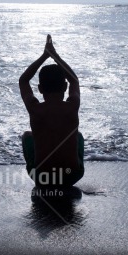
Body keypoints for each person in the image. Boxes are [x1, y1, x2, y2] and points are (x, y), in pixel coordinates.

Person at [19, 35, 84, 187]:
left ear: (40, 89)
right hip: (72, 176)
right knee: (78, 136)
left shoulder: (35, 109)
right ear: (65, 87)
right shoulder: (72, 106)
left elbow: (23, 81)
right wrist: (55, 55)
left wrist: (44, 56)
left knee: (27, 136)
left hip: (42, 177)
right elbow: (74, 80)